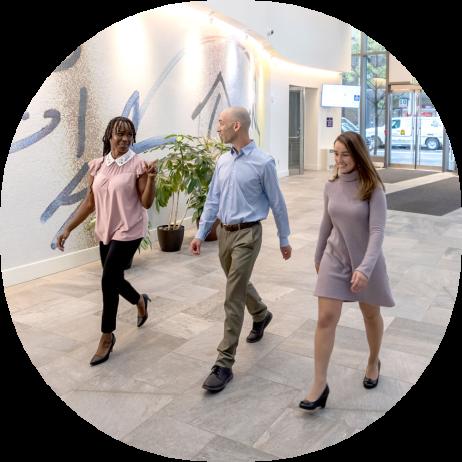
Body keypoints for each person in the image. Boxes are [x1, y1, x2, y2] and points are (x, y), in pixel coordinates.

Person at [190, 106, 292, 392]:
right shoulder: (223, 161)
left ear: (237, 126)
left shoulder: (263, 162)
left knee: (232, 294)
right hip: (224, 233)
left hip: (248, 234)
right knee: (238, 282)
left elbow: (277, 203)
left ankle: (224, 363)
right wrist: (200, 233)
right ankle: (260, 314)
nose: (218, 128)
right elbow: (212, 201)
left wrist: (284, 238)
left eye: (221, 123)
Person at [299, 131, 395, 412]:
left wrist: (365, 267)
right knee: (325, 318)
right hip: (334, 258)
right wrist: (318, 256)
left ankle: (373, 360)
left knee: (370, 314)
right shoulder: (332, 185)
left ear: (358, 155)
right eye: (335, 153)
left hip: (367, 261)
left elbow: (377, 232)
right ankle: (319, 385)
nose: (339, 160)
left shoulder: (373, 188)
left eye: (345, 154)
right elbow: (326, 223)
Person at [57, 116, 157, 366]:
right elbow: (90, 203)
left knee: (108, 279)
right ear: (109, 136)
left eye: (129, 135)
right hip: (106, 230)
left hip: (130, 229)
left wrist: (152, 179)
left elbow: (146, 203)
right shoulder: (97, 166)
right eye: (119, 134)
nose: (124, 139)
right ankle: (140, 300)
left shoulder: (138, 165)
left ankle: (106, 336)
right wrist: (68, 227)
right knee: (114, 279)